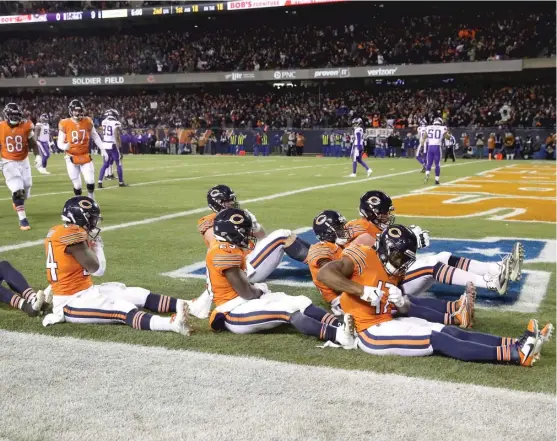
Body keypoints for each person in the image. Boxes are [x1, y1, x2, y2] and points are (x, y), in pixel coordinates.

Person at [317, 225, 551, 366]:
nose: (402, 265)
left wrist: (403, 302)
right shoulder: (362, 256)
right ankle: (514, 355)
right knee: (440, 340)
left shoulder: (394, 271)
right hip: (369, 333)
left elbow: (402, 308)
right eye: (400, 258)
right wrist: (362, 290)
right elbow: (326, 273)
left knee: (449, 331)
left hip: (388, 321)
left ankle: (516, 343)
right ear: (387, 250)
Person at [205, 207, 355, 348]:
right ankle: (339, 335)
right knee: (287, 310)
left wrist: (258, 291)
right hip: (232, 311)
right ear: (231, 232)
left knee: (301, 301)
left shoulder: (227, 247)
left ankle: (339, 325)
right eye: (244, 231)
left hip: (244, 301)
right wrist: (259, 291)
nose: (247, 234)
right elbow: (247, 293)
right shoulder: (222, 251)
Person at [42, 196, 191, 335]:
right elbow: (98, 269)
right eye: (92, 219)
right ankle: (173, 325)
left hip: (86, 290)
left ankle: (190, 305)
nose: (94, 223)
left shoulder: (58, 231)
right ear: (80, 218)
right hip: (71, 302)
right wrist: (98, 246)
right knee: (123, 309)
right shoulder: (72, 235)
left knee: (138, 294)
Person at [309, 210, 480, 329]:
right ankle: (455, 318)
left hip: (354, 290)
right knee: (395, 302)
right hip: (343, 300)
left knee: (403, 298)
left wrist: (409, 239)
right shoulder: (321, 249)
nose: (345, 229)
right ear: (327, 234)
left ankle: (454, 307)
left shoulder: (341, 244)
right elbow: (330, 273)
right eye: (339, 228)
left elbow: (374, 242)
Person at [346, 191, 521, 296]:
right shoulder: (361, 231)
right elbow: (377, 260)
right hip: (381, 288)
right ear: (372, 213)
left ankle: (495, 268)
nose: (387, 216)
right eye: (383, 213)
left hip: (386, 279)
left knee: (443, 257)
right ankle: (490, 282)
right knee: (430, 265)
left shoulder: (371, 227)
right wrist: (411, 242)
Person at [188, 184, 312, 318]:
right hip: (241, 269)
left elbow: (262, 237)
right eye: (227, 200)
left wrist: (255, 226)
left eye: (232, 199)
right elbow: (217, 245)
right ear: (217, 204)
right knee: (282, 236)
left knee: (286, 234)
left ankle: (318, 255)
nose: (231, 203)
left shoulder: (236, 216)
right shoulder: (210, 222)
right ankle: (319, 262)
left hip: (250, 262)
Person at [0, 103, 40, 230]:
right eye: (12, 115)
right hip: (8, 161)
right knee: (17, 189)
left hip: (24, 160)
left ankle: (17, 202)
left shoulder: (26, 125)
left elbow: (33, 143)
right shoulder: (1, 127)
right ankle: (23, 220)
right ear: (6, 115)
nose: (15, 118)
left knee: (27, 187)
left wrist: (38, 156)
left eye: (17, 115)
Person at [57, 99, 104, 200]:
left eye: (79, 110)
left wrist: (102, 148)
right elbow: (59, 142)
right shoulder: (65, 123)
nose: (77, 113)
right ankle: (79, 203)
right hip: (71, 157)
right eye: (75, 110)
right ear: (71, 111)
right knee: (77, 186)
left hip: (84, 156)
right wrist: (63, 146)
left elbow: (95, 136)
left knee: (90, 182)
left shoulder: (87, 121)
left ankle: (92, 200)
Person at [98, 109, 127, 188]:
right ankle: (121, 182)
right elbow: (117, 136)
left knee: (105, 164)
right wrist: (120, 149)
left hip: (105, 144)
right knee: (119, 164)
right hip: (113, 145)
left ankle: (99, 181)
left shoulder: (103, 122)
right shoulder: (116, 123)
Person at [424, 117, 447, 185]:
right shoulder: (443, 128)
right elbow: (447, 137)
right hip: (437, 147)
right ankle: (436, 180)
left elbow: (424, 136)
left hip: (430, 147)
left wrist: (422, 143)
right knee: (437, 164)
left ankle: (427, 175)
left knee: (429, 163)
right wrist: (449, 136)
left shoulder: (428, 127)